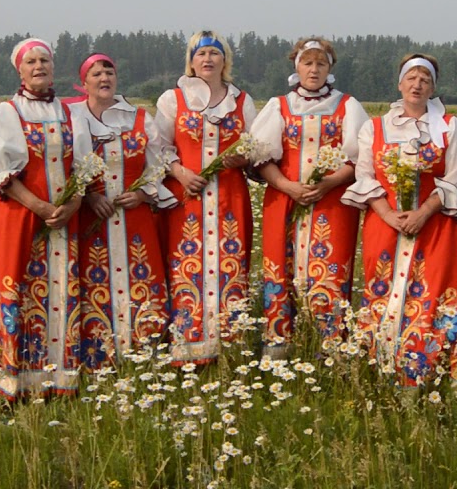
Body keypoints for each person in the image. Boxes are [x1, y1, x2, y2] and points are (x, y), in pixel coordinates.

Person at [0, 38, 89, 399]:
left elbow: (83, 165)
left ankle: (59, 378)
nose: (39, 67)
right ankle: (11, 379)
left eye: (44, 61)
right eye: (31, 61)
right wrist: (39, 207)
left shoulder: (71, 113)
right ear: (19, 69)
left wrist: (73, 203)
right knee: (17, 287)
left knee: (60, 290)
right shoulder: (6, 113)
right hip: (20, 218)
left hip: (64, 221)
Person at [343, 54, 457, 385]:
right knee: (384, 291)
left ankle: (433, 370)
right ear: (400, 83)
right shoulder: (373, 128)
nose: (417, 85)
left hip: (436, 225)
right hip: (384, 227)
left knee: (434, 294)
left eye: (425, 80)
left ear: (433, 88)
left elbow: (456, 176)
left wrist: (423, 212)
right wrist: (388, 214)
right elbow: (365, 175)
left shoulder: (449, 126)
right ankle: (381, 369)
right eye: (411, 78)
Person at [250, 37, 368, 357]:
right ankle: (279, 344)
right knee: (280, 265)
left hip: (332, 203)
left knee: (330, 268)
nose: (313, 69)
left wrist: (328, 183)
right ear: (296, 66)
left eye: (321, 63)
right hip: (284, 199)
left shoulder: (348, 106)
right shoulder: (279, 106)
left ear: (330, 69)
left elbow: (361, 158)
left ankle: (328, 348)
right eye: (307, 62)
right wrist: (288, 186)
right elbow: (261, 158)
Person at [154, 31, 259, 365]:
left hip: (230, 196)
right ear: (191, 61)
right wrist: (181, 173)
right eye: (201, 54)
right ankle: (187, 344)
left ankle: (228, 344)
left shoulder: (243, 101)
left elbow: (255, 146)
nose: (208, 60)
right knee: (186, 264)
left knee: (230, 265)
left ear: (224, 60)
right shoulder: (173, 99)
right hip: (186, 196)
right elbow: (158, 146)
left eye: (215, 53)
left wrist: (243, 158)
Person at [70, 53, 174, 369]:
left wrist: (143, 193)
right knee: (94, 283)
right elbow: (64, 164)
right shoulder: (72, 118)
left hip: (136, 218)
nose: (104, 79)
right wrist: (87, 197)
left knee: (142, 279)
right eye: (96, 74)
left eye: (109, 72)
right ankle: (97, 357)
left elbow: (158, 164)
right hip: (94, 218)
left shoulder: (140, 118)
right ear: (84, 82)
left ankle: (146, 351)